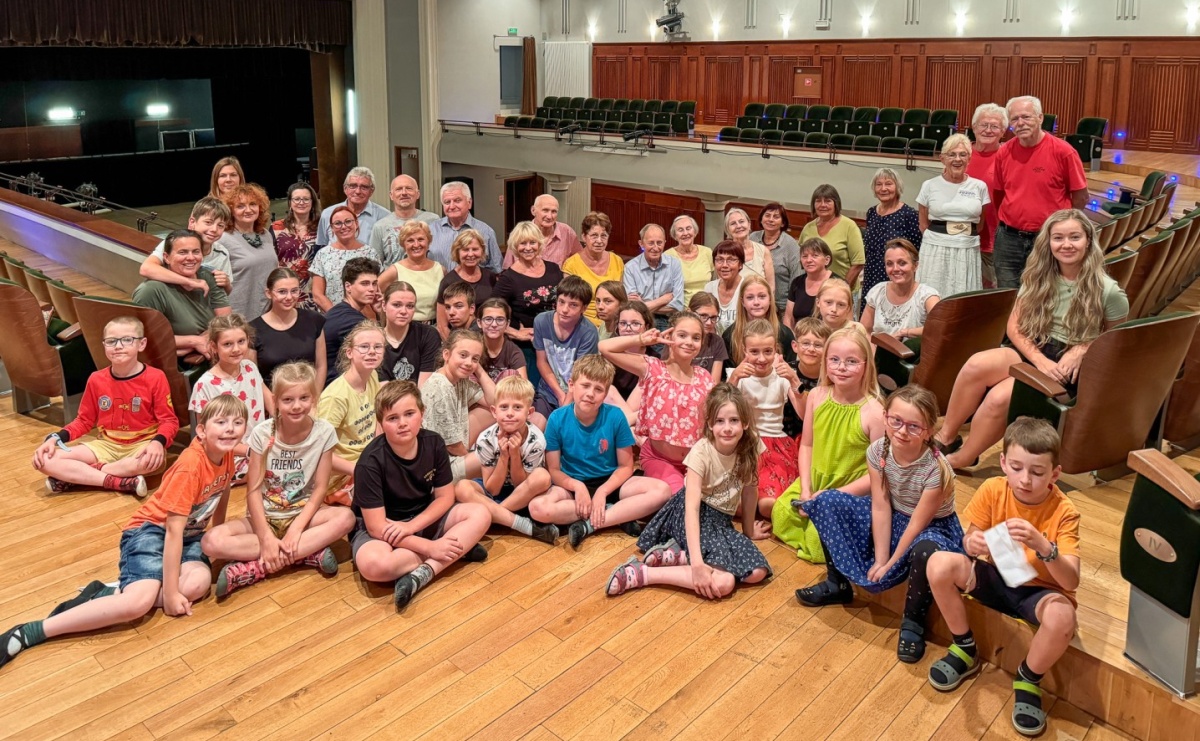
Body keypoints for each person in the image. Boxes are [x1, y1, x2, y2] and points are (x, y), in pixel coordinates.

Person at [0, 396, 246, 672]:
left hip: (189, 536)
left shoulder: (226, 455)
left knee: (198, 586)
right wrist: (172, 593)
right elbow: (172, 533)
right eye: (221, 422)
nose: (229, 429)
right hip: (151, 531)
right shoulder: (190, 466)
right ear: (201, 430)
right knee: (137, 605)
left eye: (237, 423)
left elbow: (221, 493)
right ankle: (32, 631)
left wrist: (216, 537)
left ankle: (112, 592)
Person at [932, 210, 1128, 470]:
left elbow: (1116, 339)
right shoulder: (1037, 275)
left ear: (1089, 241)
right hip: (1034, 347)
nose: (1066, 244)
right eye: (1058, 237)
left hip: (1066, 365)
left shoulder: (1108, 289)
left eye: (1074, 237)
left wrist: (1081, 349)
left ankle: (964, 457)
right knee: (977, 364)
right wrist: (1037, 358)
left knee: (1001, 397)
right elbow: (1013, 325)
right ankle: (946, 437)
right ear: (1048, 242)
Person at [922, 417, 1080, 737]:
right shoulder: (993, 488)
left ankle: (1028, 677)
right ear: (1004, 463)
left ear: (1055, 474)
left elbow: (1071, 581)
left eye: (1037, 472)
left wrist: (1043, 547)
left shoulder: (1065, 511)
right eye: (1018, 468)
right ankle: (965, 647)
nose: (1025, 480)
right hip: (995, 575)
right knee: (938, 564)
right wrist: (972, 543)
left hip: (1037, 591)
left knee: (1063, 617)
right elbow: (970, 540)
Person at [798, 385, 964, 666]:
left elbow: (917, 525)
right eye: (896, 421)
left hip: (930, 527)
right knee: (827, 501)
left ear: (928, 431)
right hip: (895, 516)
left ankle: (913, 621)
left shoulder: (936, 470)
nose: (902, 431)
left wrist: (888, 563)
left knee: (925, 550)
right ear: (885, 417)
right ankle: (837, 582)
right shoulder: (878, 451)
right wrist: (880, 556)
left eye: (914, 426)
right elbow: (881, 503)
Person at [202, 362, 355, 597]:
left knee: (345, 518)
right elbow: (252, 490)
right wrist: (265, 537)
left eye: (304, 398)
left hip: (303, 514)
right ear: (275, 401)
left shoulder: (324, 433)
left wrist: (296, 528)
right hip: (264, 516)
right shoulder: (263, 433)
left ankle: (257, 567)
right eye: (288, 400)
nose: (296, 406)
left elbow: (320, 489)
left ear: (314, 398)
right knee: (211, 541)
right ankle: (306, 553)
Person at [607, 384, 772, 598]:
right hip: (691, 514)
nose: (727, 428)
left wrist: (748, 530)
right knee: (724, 582)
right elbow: (691, 508)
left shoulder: (751, 445)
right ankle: (642, 573)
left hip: (720, 521)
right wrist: (697, 565)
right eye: (720, 421)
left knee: (757, 571)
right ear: (710, 424)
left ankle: (679, 554)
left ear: (745, 423)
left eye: (734, 421)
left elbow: (750, 489)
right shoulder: (701, 452)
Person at [349, 380, 491, 610]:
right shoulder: (369, 463)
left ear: (422, 413)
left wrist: (412, 527)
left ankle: (426, 571)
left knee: (481, 513)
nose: (402, 423)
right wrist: (430, 548)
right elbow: (375, 527)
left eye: (409, 414)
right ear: (381, 423)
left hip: (422, 517)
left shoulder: (433, 442)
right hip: (382, 528)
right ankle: (455, 550)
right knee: (374, 566)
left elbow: (445, 497)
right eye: (392, 418)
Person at [528, 355, 673, 548]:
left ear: (605, 395)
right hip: (573, 485)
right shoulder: (556, 418)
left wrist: (603, 491)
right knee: (538, 508)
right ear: (571, 385)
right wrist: (578, 487)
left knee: (662, 491)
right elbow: (553, 470)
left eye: (598, 389)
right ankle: (618, 513)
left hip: (612, 482)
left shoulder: (615, 417)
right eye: (585, 385)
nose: (590, 394)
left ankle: (590, 524)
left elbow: (625, 466)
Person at [771, 327, 886, 562]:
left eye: (851, 361)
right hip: (816, 481)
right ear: (825, 361)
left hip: (849, 489)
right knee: (780, 514)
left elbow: (880, 474)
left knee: (816, 540)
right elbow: (807, 446)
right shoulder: (816, 395)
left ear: (866, 364)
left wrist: (830, 495)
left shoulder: (874, 412)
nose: (841, 367)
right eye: (834, 360)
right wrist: (806, 489)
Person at [31, 316, 176, 497]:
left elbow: (169, 421)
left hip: (142, 445)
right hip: (106, 445)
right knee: (44, 460)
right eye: (111, 341)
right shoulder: (96, 379)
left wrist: (157, 443)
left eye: (127, 340)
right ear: (104, 345)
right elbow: (83, 421)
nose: (118, 346)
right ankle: (118, 481)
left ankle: (78, 475)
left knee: (150, 461)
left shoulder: (156, 377)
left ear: (141, 344)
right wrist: (54, 438)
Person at [599, 311, 713, 495]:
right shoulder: (653, 368)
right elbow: (604, 347)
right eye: (682, 335)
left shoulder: (704, 377)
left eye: (696, 337)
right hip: (661, 459)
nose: (689, 342)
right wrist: (640, 340)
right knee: (681, 499)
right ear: (669, 336)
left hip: (695, 461)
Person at [992, 95, 1089, 288]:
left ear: (1040, 118)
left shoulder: (1064, 152)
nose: (1020, 123)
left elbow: (1080, 197)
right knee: (1006, 295)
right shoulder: (1004, 152)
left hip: (1048, 238)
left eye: (1026, 117)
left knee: (1046, 293)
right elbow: (999, 195)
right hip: (1009, 239)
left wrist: (1061, 229)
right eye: (1014, 119)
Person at [454, 376, 558, 543]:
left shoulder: (536, 440)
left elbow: (521, 485)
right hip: (495, 490)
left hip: (522, 494)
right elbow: (492, 489)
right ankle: (520, 524)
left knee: (542, 477)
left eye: (517, 407)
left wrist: (515, 454)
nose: (510, 413)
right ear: (494, 412)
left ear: (529, 413)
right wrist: (504, 456)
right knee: (462, 487)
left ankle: (497, 516)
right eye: (504, 407)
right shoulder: (486, 439)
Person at [727, 319, 803, 516]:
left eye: (768, 351)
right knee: (735, 506)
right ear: (744, 350)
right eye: (754, 352)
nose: (761, 358)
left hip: (776, 445)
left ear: (777, 351)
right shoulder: (737, 376)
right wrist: (734, 379)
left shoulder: (783, 377)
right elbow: (722, 411)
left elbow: (803, 414)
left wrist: (794, 381)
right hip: (745, 444)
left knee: (768, 505)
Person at [188, 315, 269, 482]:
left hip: (258, 446)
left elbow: (271, 401)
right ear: (213, 346)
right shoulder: (205, 385)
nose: (236, 349)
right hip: (227, 454)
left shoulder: (250, 367)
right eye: (227, 344)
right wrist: (249, 451)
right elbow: (207, 437)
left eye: (241, 341)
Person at [131, 229, 231, 363]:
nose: (191, 257)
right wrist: (194, 341)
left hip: (212, 356)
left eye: (196, 251)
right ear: (166, 257)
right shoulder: (150, 291)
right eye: (182, 252)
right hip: (174, 366)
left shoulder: (208, 276)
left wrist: (202, 339)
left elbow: (226, 320)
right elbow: (144, 338)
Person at [318, 321, 384, 505]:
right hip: (340, 477)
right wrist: (361, 469)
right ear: (349, 352)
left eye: (378, 347)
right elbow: (320, 451)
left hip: (368, 461)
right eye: (364, 347)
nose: (372, 352)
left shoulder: (372, 376)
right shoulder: (335, 397)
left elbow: (377, 421)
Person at [916, 134, 990, 298]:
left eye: (962, 154)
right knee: (933, 294)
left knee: (963, 295)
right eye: (952, 154)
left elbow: (980, 224)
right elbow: (923, 223)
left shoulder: (979, 187)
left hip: (967, 248)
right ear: (942, 159)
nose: (957, 159)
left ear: (969, 159)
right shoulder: (929, 185)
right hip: (935, 248)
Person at [494, 221, 565, 390]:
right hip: (528, 348)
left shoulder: (554, 269)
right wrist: (515, 333)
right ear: (514, 246)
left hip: (556, 341)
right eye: (522, 243)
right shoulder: (508, 278)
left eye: (532, 242)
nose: (528, 248)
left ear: (540, 244)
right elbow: (488, 313)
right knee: (533, 392)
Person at [420, 329, 496, 481]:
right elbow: (451, 446)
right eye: (463, 355)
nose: (468, 363)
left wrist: (477, 369)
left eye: (475, 358)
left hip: (455, 448)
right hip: (437, 467)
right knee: (493, 455)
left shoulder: (460, 380)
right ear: (446, 355)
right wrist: (470, 458)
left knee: (492, 412)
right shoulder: (439, 387)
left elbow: (496, 402)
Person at [250, 267, 328, 390]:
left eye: (294, 291)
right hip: (272, 400)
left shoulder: (314, 320)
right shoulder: (253, 329)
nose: (289, 297)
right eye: (282, 292)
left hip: (309, 398)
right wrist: (272, 403)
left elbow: (321, 366)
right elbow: (252, 375)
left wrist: (315, 397)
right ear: (268, 293)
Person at [533, 275, 599, 417]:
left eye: (573, 305)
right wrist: (559, 394)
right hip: (548, 390)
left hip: (577, 392)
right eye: (561, 302)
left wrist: (567, 401)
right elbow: (541, 361)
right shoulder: (541, 321)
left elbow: (581, 373)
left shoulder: (589, 332)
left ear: (584, 308)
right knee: (537, 425)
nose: (564, 309)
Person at [139, 197, 232, 295]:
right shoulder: (174, 242)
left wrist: (227, 284)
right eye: (208, 222)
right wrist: (190, 282)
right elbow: (146, 269)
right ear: (192, 222)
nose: (214, 229)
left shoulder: (222, 253)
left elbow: (226, 293)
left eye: (220, 225)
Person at [217, 183, 278, 322]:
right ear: (230, 210)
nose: (248, 210)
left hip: (268, 312)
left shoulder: (265, 234)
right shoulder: (223, 239)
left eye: (253, 204)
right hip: (238, 315)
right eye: (240, 206)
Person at [862, 169, 922, 306]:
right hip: (871, 275)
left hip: (897, 276)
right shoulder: (871, 212)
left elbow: (916, 252)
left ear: (897, 187)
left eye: (888, 184)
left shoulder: (909, 215)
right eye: (879, 184)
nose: (883, 188)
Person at [861, 239, 941, 341]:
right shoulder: (877, 291)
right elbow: (864, 331)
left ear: (915, 266)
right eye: (889, 264)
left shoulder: (927, 295)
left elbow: (939, 328)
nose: (895, 269)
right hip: (877, 353)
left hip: (912, 355)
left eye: (902, 263)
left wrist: (905, 332)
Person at [799, 185, 866, 302]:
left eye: (828, 201)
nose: (822, 205)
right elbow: (802, 259)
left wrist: (841, 289)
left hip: (843, 291)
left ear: (836, 203)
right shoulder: (808, 228)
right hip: (814, 291)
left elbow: (858, 263)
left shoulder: (849, 226)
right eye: (818, 201)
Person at [967, 103, 1009, 288]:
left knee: (992, 294)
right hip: (963, 238)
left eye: (995, 126)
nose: (988, 130)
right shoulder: (961, 153)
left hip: (996, 240)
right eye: (983, 124)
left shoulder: (1010, 155)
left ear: (1003, 132)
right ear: (974, 127)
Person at [321, 258, 381, 386]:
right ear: (348, 287)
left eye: (374, 283)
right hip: (337, 387)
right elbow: (381, 350)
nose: (372, 289)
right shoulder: (351, 321)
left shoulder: (340, 311)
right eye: (365, 283)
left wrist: (379, 312)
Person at [310, 205, 379, 311]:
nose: (343, 226)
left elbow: (377, 288)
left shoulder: (370, 253)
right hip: (333, 317)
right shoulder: (323, 254)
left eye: (348, 221)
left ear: (356, 223)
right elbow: (317, 295)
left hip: (365, 318)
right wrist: (338, 316)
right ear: (332, 228)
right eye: (338, 223)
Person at [562, 211, 624, 327]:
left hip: (613, 322)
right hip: (582, 323)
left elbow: (620, 299)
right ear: (584, 237)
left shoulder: (617, 261)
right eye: (594, 236)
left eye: (604, 236)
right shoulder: (571, 264)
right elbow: (570, 304)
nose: (599, 241)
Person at [721, 274, 797, 368]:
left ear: (770, 299)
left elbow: (791, 372)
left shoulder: (785, 334)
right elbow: (727, 378)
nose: (756, 302)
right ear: (742, 302)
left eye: (762, 296)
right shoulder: (730, 336)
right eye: (750, 297)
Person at [378, 220, 444, 323]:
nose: (416, 244)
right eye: (410, 240)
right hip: (404, 328)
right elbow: (371, 295)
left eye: (421, 239)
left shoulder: (440, 270)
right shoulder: (395, 270)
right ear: (403, 244)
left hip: (434, 329)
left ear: (429, 242)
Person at [623, 223, 684, 332]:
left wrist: (643, 305)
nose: (655, 248)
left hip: (669, 320)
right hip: (640, 320)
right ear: (641, 244)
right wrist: (662, 300)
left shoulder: (674, 264)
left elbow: (677, 305)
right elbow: (633, 307)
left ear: (664, 243)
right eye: (651, 243)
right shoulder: (630, 268)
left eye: (659, 243)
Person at [429, 181, 502, 272]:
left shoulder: (486, 232)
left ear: (469, 202)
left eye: (457, 200)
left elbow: (496, 269)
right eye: (447, 202)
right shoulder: (431, 230)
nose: (452, 206)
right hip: (438, 285)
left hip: (473, 285)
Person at [369, 174, 440, 265]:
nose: (404, 193)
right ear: (391, 195)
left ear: (417, 194)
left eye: (409, 188)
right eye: (399, 189)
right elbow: (374, 264)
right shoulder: (380, 226)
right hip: (393, 278)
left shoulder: (433, 220)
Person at [379, 280, 440, 385]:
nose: (403, 311)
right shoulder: (373, 340)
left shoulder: (428, 335)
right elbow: (383, 391)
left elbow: (424, 387)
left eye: (410, 306)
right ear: (384, 305)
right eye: (397, 305)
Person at [271, 182, 321, 310]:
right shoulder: (277, 228)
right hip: (285, 292)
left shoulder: (322, 227)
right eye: (297, 199)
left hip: (315, 292)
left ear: (312, 202)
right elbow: (270, 260)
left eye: (306, 199)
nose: (301, 202)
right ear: (290, 203)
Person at [435, 229, 496, 331]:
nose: (471, 254)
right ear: (457, 252)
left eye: (475, 249)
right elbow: (442, 326)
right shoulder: (448, 281)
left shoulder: (490, 277)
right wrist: (454, 346)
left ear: (482, 251)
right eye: (466, 250)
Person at [604, 300, 654, 426]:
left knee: (646, 379)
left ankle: (625, 426)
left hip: (643, 412)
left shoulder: (654, 358)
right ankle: (628, 426)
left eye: (635, 324)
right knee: (608, 389)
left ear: (646, 327)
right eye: (623, 323)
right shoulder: (608, 354)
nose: (628, 329)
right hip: (613, 412)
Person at [315, 167, 391, 248]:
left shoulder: (384, 217)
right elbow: (322, 246)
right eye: (353, 186)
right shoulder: (328, 214)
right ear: (345, 189)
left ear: (371, 191)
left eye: (364, 187)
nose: (358, 191)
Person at [503, 194, 582, 267]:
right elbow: (507, 269)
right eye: (545, 210)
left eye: (554, 211)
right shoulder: (519, 234)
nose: (549, 216)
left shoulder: (567, 232)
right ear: (533, 211)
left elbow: (580, 261)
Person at [750, 203, 802, 313]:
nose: (771, 220)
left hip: (781, 307)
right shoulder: (752, 238)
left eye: (776, 217)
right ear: (761, 219)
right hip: (753, 303)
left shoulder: (790, 245)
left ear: (783, 223)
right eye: (767, 215)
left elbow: (797, 279)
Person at [784, 238, 839, 330]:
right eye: (804, 256)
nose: (809, 260)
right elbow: (788, 319)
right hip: (799, 339)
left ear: (827, 260)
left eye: (815, 255)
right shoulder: (797, 283)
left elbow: (845, 322)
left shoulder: (838, 284)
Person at [478, 297, 529, 384]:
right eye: (488, 319)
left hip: (503, 396)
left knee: (511, 374)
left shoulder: (513, 351)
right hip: (476, 395)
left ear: (507, 324)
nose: (494, 324)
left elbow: (524, 390)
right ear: (479, 323)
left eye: (500, 320)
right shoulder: (471, 345)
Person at [665, 215, 713, 307]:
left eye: (688, 228)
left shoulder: (707, 252)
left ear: (694, 232)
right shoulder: (668, 256)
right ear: (675, 235)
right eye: (680, 230)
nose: (685, 233)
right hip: (681, 310)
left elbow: (715, 282)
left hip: (707, 307)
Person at [724, 208, 775, 291]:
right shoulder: (724, 253)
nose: (738, 226)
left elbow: (771, 286)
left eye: (741, 221)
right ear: (728, 230)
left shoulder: (764, 251)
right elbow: (723, 286)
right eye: (733, 223)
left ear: (749, 224)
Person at [680, 291, 728, 378]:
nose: (709, 322)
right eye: (703, 316)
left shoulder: (717, 342)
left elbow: (714, 383)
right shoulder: (678, 340)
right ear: (689, 312)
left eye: (713, 317)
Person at [703, 240, 746, 334]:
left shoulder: (747, 288)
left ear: (741, 264)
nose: (724, 265)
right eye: (719, 260)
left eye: (731, 260)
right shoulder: (709, 288)